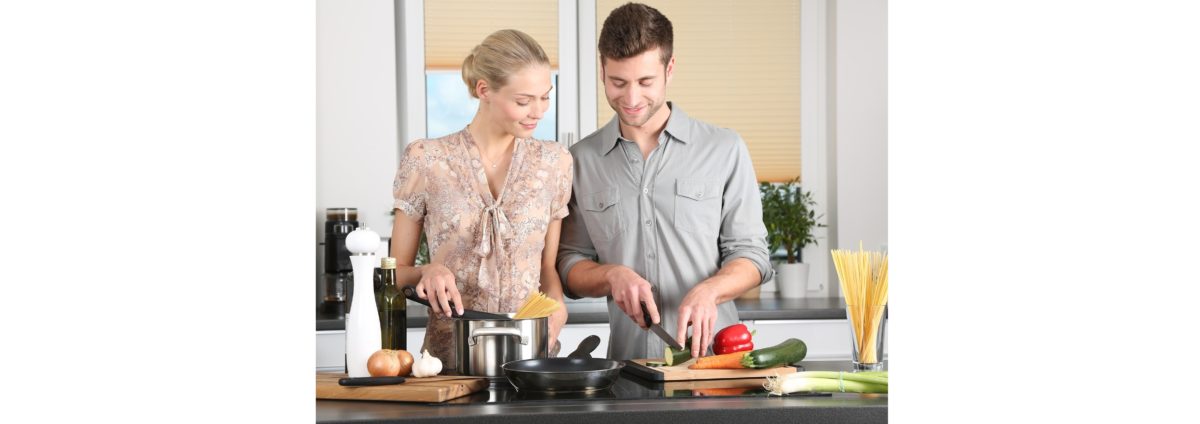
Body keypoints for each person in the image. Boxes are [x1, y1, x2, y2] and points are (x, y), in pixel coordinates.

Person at [557, 3, 773, 361]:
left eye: (645, 82)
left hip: (717, 366)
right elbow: (570, 263)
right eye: (618, 82)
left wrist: (711, 290)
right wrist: (611, 275)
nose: (631, 99)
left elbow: (752, 255)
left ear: (669, 69)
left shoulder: (723, 148)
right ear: (602, 71)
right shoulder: (581, 160)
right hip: (628, 370)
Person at [391, 29, 573, 367]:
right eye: (523, 101)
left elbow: (547, 268)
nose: (538, 111)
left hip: (531, 361)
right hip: (448, 364)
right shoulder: (427, 159)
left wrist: (557, 305)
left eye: (545, 97)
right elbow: (392, 274)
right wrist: (426, 271)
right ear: (484, 90)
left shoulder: (555, 162)